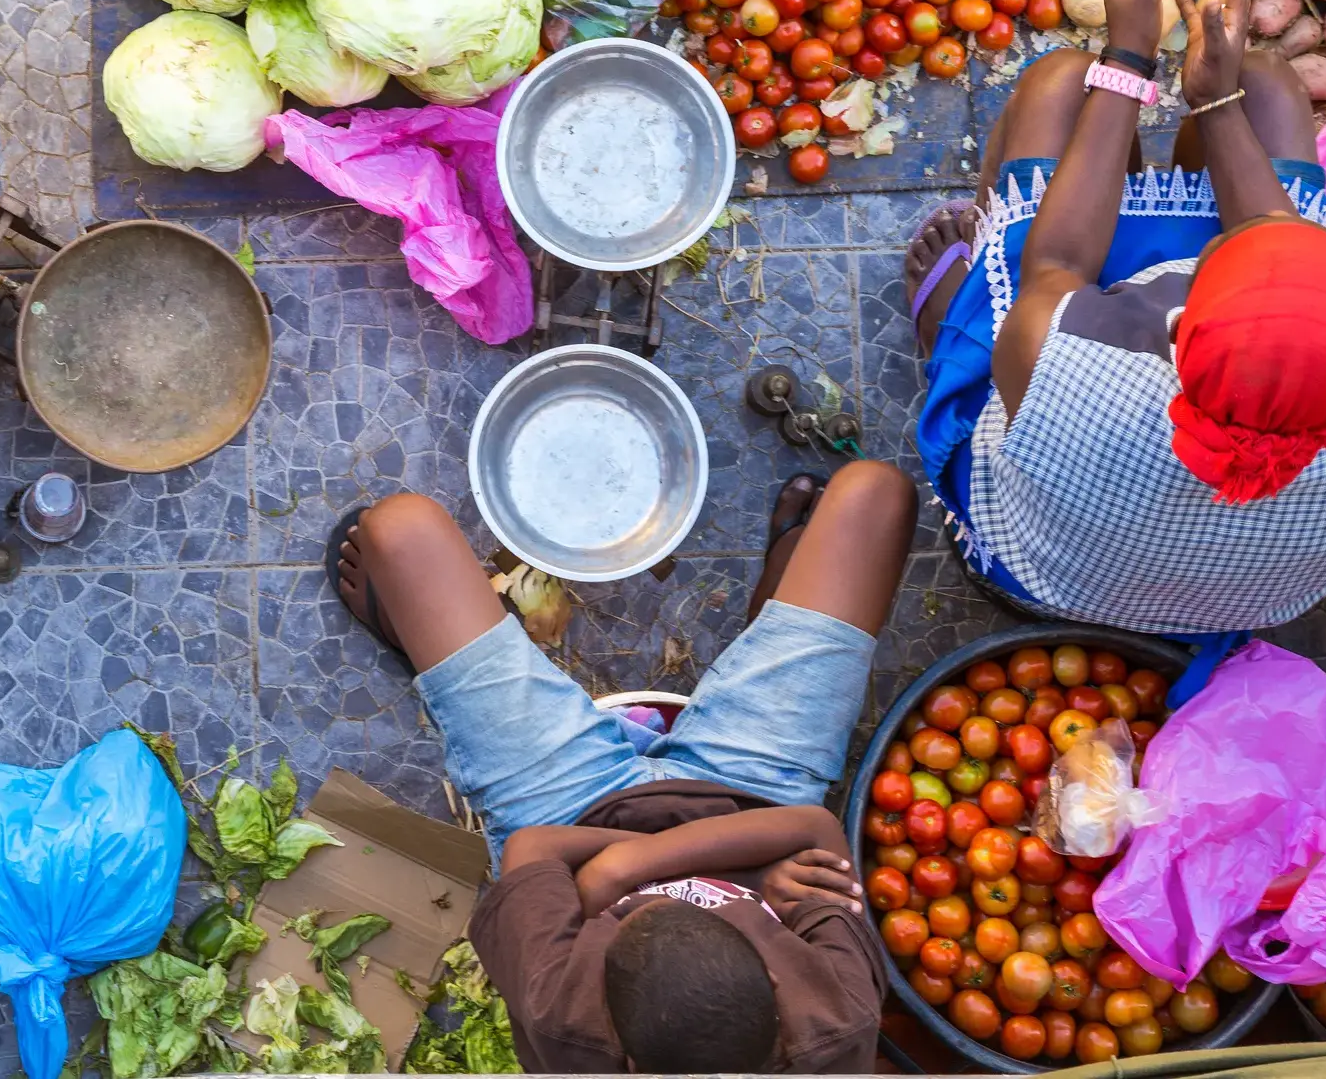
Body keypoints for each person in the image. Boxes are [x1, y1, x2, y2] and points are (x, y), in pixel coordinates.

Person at [908, 0, 1326, 635]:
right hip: (1244, 596)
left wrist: (1126, 57)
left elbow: (1057, 261)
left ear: (1180, 322)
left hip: (1046, 570)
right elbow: (1279, 237)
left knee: (1061, 87)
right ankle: (1225, 102)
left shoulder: (1070, 368)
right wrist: (1215, 98)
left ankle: (958, 310)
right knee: (1265, 88)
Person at [328, 459, 916, 1073]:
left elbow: (535, 847)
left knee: (399, 530)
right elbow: (814, 827)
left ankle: (422, 645)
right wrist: (630, 871)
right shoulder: (837, 1018)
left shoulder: (563, 1016)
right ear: (771, 975)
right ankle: (767, 619)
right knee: (879, 495)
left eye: (628, 916)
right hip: (753, 797)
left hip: (569, 813)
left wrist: (618, 867)